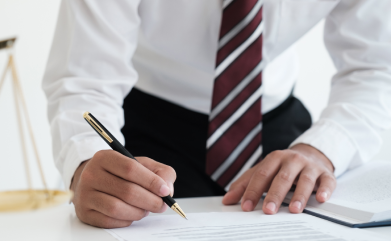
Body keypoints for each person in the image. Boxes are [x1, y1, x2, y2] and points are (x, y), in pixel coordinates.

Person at [42, 0, 391, 228]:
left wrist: (324, 148)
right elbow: (84, 77)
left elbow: (376, 66)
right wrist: (86, 161)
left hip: (283, 142)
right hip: (146, 138)